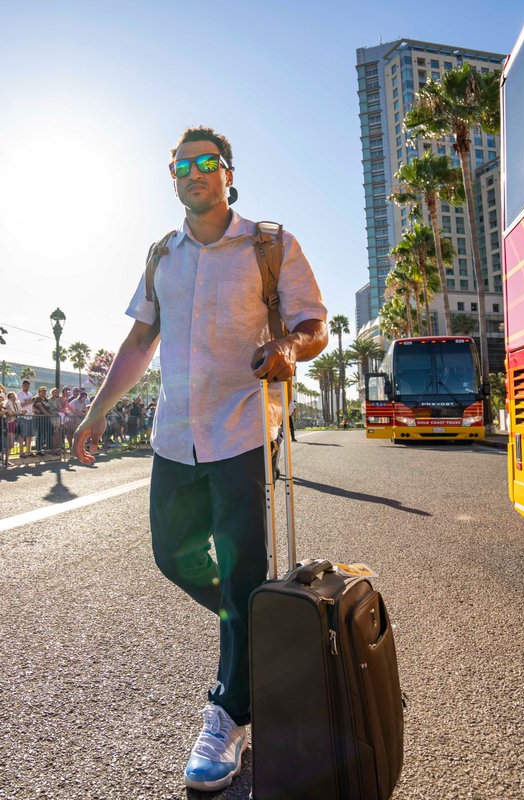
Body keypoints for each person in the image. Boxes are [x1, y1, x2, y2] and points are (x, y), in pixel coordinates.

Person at [71, 126, 328, 792]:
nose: (194, 172)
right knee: (171, 554)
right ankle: (260, 623)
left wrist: (291, 351)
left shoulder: (269, 244)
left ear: (227, 172)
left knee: (240, 573)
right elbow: (137, 342)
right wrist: (97, 411)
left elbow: (313, 324)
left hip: (243, 429)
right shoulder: (164, 255)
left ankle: (230, 709)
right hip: (174, 434)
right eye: (181, 165)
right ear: (173, 177)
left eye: (205, 162)